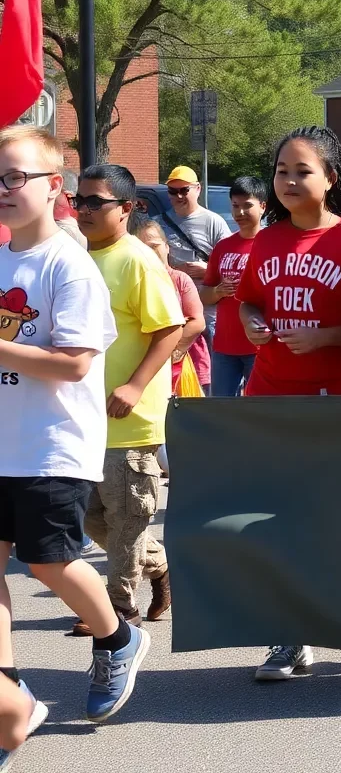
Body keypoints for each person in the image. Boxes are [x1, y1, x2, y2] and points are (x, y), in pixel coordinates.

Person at [0, 128, 149, 745]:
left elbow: (74, 362)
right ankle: (9, 697)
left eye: (15, 178)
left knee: (48, 560)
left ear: (52, 185)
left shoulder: (70, 264)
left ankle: (119, 637)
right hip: (4, 440)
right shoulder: (3, 257)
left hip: (53, 443)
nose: (4, 190)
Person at [235, 127, 341, 682]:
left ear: (330, 178)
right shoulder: (267, 240)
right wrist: (252, 321)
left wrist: (327, 338)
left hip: (340, 406)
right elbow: (249, 301)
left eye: (302, 170)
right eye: (281, 170)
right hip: (275, 398)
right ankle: (291, 634)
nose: (290, 180)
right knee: (282, 524)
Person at [74, 164, 183, 633]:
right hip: (85, 418)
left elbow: (170, 328)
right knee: (95, 519)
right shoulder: (79, 258)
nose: (84, 210)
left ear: (126, 208)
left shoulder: (137, 259)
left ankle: (120, 611)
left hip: (130, 418)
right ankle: (162, 567)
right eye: (80, 201)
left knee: (126, 519)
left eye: (96, 202)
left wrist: (135, 385)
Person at [200, 177, 267, 397]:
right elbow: (204, 296)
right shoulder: (223, 246)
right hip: (224, 348)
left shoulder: (272, 244)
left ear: (262, 207)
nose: (240, 213)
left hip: (260, 348)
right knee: (221, 411)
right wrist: (218, 291)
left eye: (247, 205)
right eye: (235, 206)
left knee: (259, 411)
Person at [135, 221, 210, 395]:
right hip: (148, 363)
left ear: (167, 247)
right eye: (143, 247)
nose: (150, 252)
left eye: (154, 246)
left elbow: (198, 322)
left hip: (183, 361)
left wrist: (170, 351)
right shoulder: (137, 281)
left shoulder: (179, 279)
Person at [161, 164, 231, 344]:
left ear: (198, 189)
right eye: (172, 191)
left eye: (184, 190)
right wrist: (177, 270)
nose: (178, 196)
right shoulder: (159, 224)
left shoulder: (213, 222)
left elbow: (231, 265)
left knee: (208, 369)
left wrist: (208, 270)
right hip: (176, 312)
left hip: (208, 313)